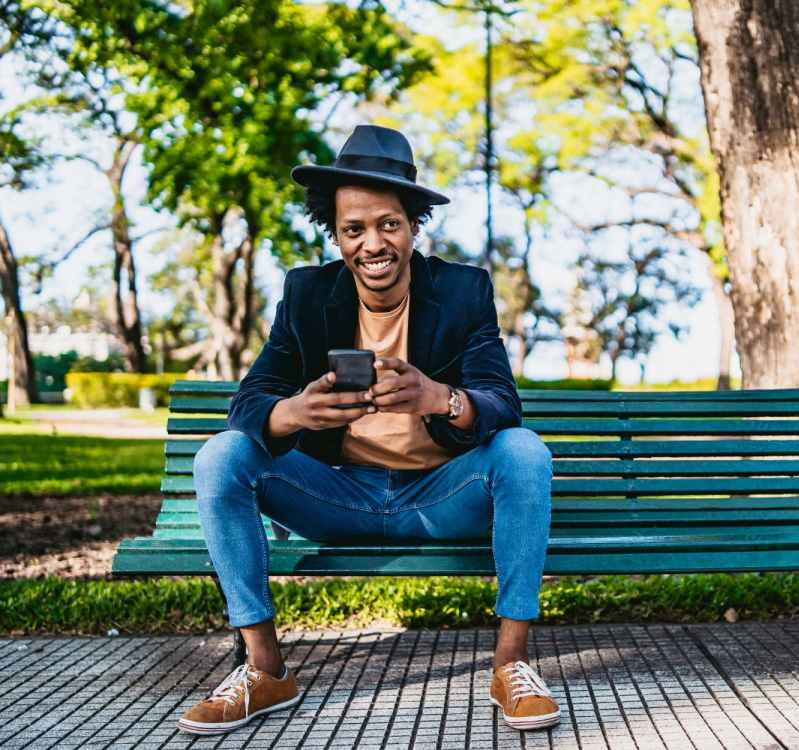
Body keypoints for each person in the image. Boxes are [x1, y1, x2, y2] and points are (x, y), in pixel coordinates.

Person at [177, 125, 558, 736]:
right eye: (354, 229)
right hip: (336, 494)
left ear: (413, 225)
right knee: (221, 457)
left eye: (389, 224)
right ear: (336, 235)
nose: (372, 243)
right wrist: (291, 414)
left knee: (522, 451)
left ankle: (511, 664)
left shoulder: (464, 291)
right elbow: (249, 399)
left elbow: (502, 403)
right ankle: (265, 669)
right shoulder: (306, 293)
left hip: (440, 497)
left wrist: (441, 398)